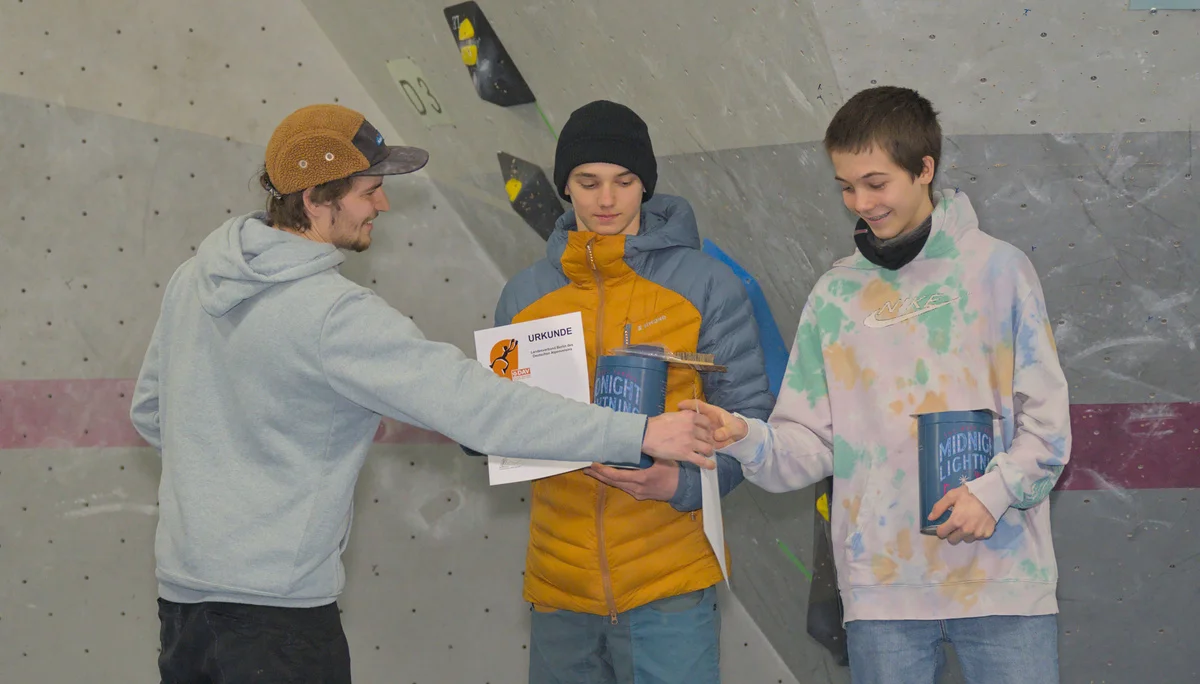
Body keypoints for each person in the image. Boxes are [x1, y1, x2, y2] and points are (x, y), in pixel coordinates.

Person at [129, 103, 717, 684]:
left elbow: (153, 413)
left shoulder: (193, 279)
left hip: (182, 606)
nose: (382, 203)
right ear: (314, 199)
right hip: (275, 620)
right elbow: (477, 409)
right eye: (368, 190)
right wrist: (637, 432)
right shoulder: (336, 316)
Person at [686, 86, 1072, 684]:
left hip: (1003, 587)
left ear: (924, 169)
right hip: (882, 596)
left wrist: (993, 495)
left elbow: (1047, 425)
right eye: (845, 186)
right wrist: (745, 437)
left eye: (875, 182)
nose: (860, 202)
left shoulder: (1000, 271)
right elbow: (808, 443)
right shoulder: (835, 295)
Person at [481, 100, 774, 684]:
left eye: (624, 181)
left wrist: (682, 483)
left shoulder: (706, 285)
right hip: (559, 588)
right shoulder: (524, 296)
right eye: (588, 182)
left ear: (647, 185)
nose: (606, 200)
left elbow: (750, 422)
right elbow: (492, 420)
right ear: (565, 186)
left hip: (671, 582)